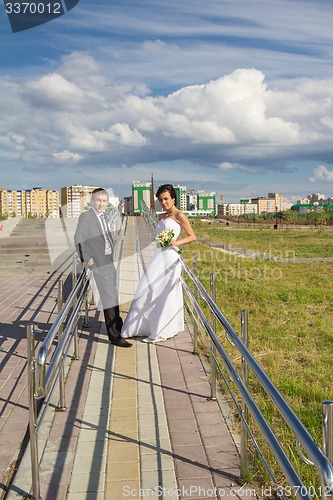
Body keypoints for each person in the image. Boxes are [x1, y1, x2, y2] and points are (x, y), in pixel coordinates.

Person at [121, 183, 196, 343]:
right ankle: (143, 326)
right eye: (161, 200)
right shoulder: (160, 217)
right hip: (158, 256)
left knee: (166, 292)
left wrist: (176, 243)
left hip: (170, 259)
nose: (164, 203)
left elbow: (192, 236)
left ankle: (163, 327)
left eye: (166, 199)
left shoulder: (180, 216)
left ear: (173, 199)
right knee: (148, 289)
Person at [74, 188, 132, 348]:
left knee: (113, 295)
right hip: (98, 263)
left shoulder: (103, 216)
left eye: (104, 201)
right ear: (92, 201)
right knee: (109, 298)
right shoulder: (87, 216)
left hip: (108, 261)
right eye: (99, 200)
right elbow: (78, 238)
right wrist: (86, 258)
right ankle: (114, 335)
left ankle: (118, 324)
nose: (102, 203)